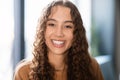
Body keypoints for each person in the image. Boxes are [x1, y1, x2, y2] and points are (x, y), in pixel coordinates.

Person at [13, 0, 104, 80]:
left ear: (76, 33)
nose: (59, 33)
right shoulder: (24, 73)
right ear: (43, 29)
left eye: (67, 26)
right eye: (52, 24)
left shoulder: (91, 67)